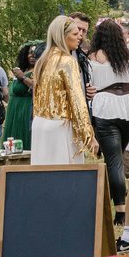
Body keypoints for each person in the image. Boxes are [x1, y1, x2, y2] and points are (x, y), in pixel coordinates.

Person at [88, 18, 129, 249]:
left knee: (113, 160)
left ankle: (120, 208)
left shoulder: (93, 58)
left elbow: (90, 85)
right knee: (121, 155)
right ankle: (123, 207)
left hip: (105, 106)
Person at [32, 14, 99, 166]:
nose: (79, 37)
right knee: (65, 177)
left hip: (40, 124)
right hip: (60, 126)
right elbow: (77, 102)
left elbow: (35, 98)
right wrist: (89, 136)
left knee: (41, 173)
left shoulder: (43, 61)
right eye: (75, 34)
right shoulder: (68, 61)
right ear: (63, 36)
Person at [2, 42, 36, 152]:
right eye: (30, 53)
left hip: (25, 113)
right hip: (14, 114)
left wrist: (23, 78)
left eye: (35, 52)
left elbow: (39, 89)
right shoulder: (24, 70)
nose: (32, 55)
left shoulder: (39, 71)